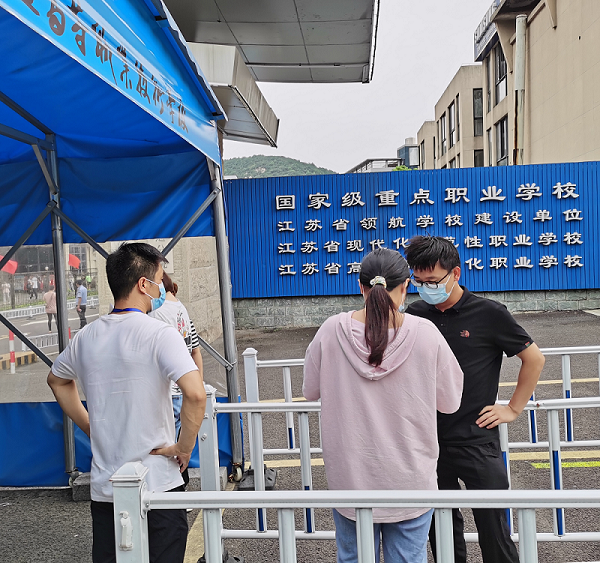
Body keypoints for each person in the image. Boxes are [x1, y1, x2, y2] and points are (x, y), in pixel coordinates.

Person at [47, 242, 206, 563]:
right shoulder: (161, 334)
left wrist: (89, 426)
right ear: (143, 284)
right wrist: (184, 447)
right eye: (159, 281)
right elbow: (196, 393)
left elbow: (57, 380)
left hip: (107, 488)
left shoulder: (86, 337)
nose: (162, 288)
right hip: (159, 483)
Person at [303, 248, 463, 563]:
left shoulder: (331, 331)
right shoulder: (426, 334)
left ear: (361, 287)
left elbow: (310, 391)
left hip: (351, 481)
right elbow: (450, 403)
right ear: (405, 287)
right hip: (411, 481)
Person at [404, 236, 545, 563]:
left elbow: (534, 359)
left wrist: (512, 408)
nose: (425, 288)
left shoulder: (489, 313)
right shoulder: (416, 313)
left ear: (455, 273)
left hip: (477, 438)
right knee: (441, 532)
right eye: (418, 282)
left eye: (432, 281)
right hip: (429, 441)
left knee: (494, 531)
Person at [149, 271, 203, 439]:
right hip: (183, 390)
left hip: (165, 393)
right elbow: (195, 351)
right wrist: (198, 385)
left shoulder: (155, 313)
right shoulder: (181, 308)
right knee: (176, 441)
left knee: (163, 444)